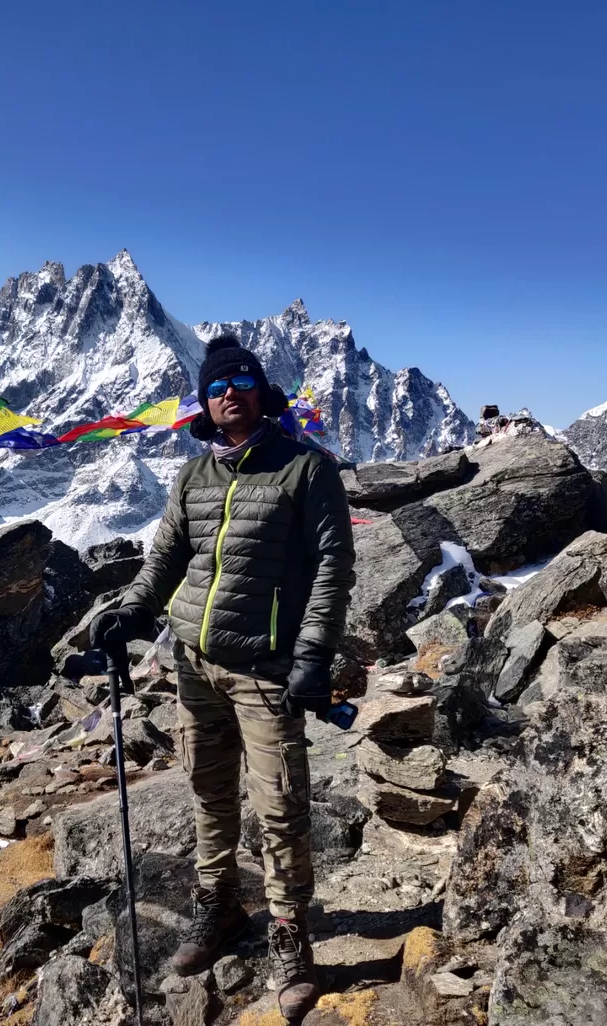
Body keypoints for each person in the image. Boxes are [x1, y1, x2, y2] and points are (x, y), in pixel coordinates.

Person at [90, 334, 357, 1022]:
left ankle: (291, 934)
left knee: (280, 803)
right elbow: (165, 562)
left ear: (261, 394)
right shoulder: (193, 478)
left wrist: (313, 656)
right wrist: (127, 613)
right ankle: (220, 906)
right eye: (215, 387)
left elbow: (333, 568)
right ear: (205, 404)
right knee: (209, 792)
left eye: (240, 382)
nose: (228, 393)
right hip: (193, 662)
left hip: (267, 668)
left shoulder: (305, 469)